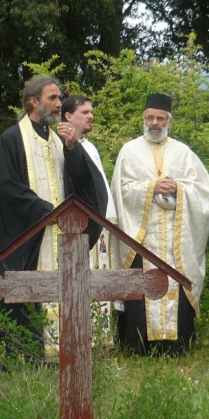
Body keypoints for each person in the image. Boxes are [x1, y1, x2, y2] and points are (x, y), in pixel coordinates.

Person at [0, 76, 107, 358]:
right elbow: (4, 187)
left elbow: (83, 184)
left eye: (58, 98)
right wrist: (45, 211)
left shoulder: (59, 140)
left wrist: (73, 150)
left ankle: (65, 350)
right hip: (29, 234)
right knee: (24, 291)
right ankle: (25, 353)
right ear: (33, 101)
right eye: (52, 98)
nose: (58, 104)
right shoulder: (12, 139)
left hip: (60, 234)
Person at [112, 93, 209, 355]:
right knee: (140, 282)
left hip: (175, 238)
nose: (155, 122)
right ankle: (137, 345)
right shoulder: (129, 150)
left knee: (176, 280)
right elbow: (120, 190)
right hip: (141, 237)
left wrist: (179, 188)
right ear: (143, 119)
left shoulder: (183, 153)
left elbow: (205, 192)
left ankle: (176, 345)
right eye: (150, 117)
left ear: (169, 121)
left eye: (160, 118)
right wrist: (151, 187)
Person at [62, 95, 119, 337]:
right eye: (85, 112)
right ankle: (78, 335)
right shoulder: (62, 144)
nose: (91, 116)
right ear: (68, 116)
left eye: (91, 112)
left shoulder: (90, 146)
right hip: (79, 227)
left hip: (99, 225)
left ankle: (98, 336)